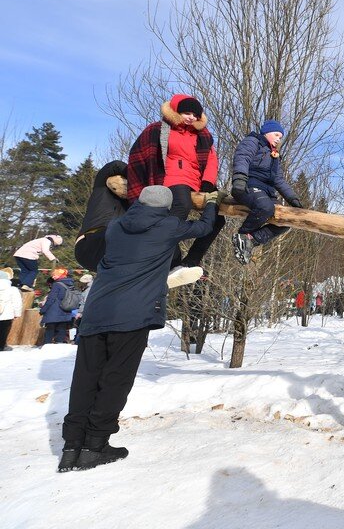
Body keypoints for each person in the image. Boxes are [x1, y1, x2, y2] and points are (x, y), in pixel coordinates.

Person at [58, 185, 220, 472]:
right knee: (115, 379)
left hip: (96, 312)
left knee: (85, 378)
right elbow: (206, 227)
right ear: (165, 208)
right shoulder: (167, 225)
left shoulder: (116, 226)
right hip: (131, 316)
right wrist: (211, 202)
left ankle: (71, 447)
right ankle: (95, 446)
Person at [126, 94, 225, 286]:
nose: (190, 117)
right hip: (171, 178)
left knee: (218, 219)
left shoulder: (203, 135)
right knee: (180, 208)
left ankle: (190, 262)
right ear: (176, 112)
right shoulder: (159, 129)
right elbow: (138, 154)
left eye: (195, 115)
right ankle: (168, 262)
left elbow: (212, 160)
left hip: (196, 181)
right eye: (186, 113)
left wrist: (208, 182)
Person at [230, 120, 303, 265]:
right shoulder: (253, 141)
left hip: (268, 193)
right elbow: (242, 158)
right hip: (248, 185)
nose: (278, 139)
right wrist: (239, 178)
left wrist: (293, 199)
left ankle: (251, 239)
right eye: (276, 135)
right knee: (266, 207)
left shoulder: (275, 155)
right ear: (266, 132)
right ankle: (242, 235)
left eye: (281, 137)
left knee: (286, 220)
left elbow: (279, 180)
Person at [75, 160, 130, 271]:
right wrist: (136, 177)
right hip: (89, 244)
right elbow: (114, 165)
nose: (122, 189)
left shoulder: (131, 203)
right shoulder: (101, 189)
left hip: (109, 257)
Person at [40, 268, 76, 344]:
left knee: (50, 329)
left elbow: (51, 299)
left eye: (55, 275)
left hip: (54, 311)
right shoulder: (71, 284)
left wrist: (43, 310)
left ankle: (47, 346)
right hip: (66, 309)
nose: (53, 277)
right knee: (62, 329)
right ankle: (59, 346)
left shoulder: (56, 285)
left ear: (60, 275)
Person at [0, 268, 22, 350]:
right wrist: (17, 314)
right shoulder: (13, 289)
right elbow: (17, 303)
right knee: (3, 332)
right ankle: (1, 347)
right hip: (6, 315)